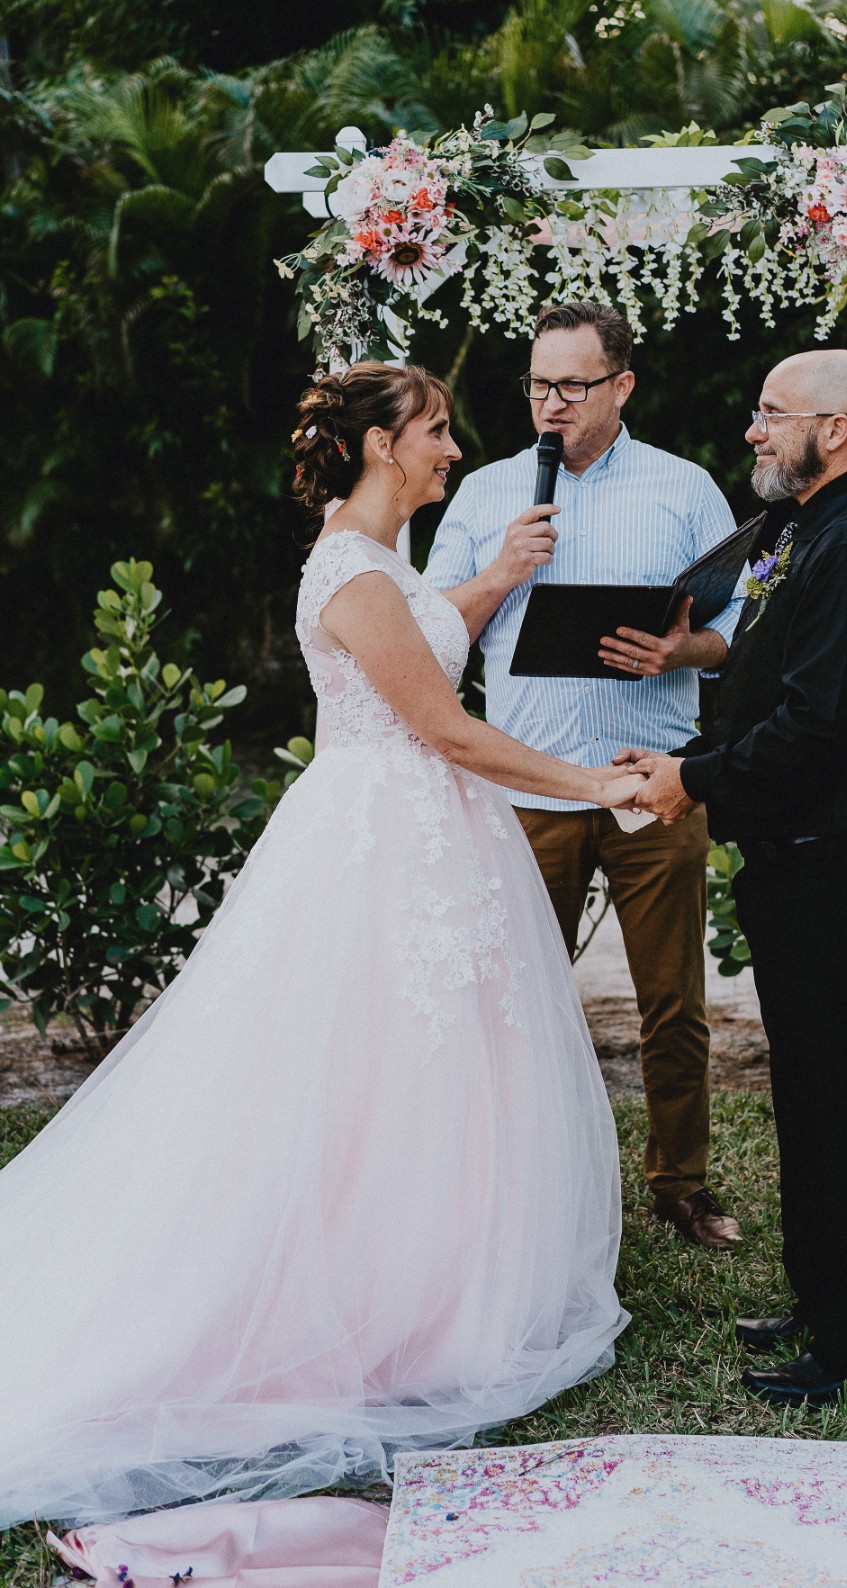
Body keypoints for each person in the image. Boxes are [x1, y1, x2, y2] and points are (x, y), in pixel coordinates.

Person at [0, 362, 643, 1531]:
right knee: (364, 1072)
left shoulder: (383, 564)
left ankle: (437, 1288)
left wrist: (496, 576)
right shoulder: (350, 565)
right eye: (436, 430)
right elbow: (443, 726)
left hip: (424, 838)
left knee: (433, 1069)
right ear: (381, 447)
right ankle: (364, 1298)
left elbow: (427, 643)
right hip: (382, 845)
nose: (454, 448)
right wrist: (594, 783)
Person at [623, 348, 847, 1404]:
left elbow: (816, 725)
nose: (753, 430)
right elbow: (762, 674)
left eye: (772, 413)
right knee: (806, 1096)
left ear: (835, 428)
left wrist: (690, 779)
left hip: (833, 862)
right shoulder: (805, 532)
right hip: (797, 858)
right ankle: (822, 1299)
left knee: (839, 1103)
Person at [426, 299, 746, 1253]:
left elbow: (743, 634)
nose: (550, 404)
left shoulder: (686, 489)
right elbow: (430, 634)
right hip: (529, 789)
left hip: (652, 783)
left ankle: (679, 1185)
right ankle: (515, 1182)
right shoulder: (485, 495)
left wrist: (682, 647)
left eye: (572, 385)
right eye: (537, 385)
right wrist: (503, 571)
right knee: (515, 1000)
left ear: (622, 386)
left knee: (672, 1001)